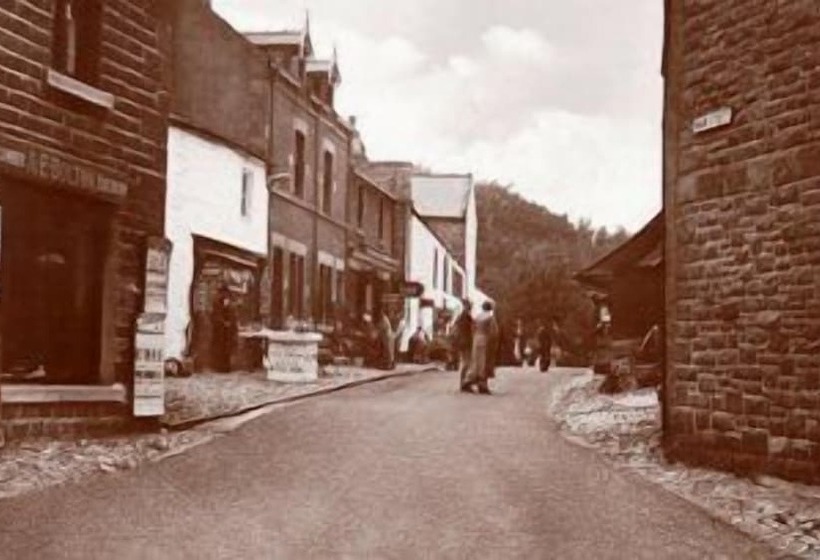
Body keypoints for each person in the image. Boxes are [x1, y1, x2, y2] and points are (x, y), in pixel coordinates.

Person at [465, 301, 498, 395]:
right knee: (484, 362)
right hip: (486, 340)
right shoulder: (490, 318)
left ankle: (469, 380)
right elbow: (493, 332)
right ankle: (482, 385)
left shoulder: (478, 317)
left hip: (476, 339)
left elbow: (473, 329)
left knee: (476, 361)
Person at [452, 300, 474, 392]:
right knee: (467, 363)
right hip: (466, 342)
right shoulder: (465, 317)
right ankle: (464, 383)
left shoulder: (462, 317)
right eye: (469, 306)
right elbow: (468, 330)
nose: (470, 308)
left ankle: (464, 383)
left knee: (466, 363)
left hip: (463, 342)